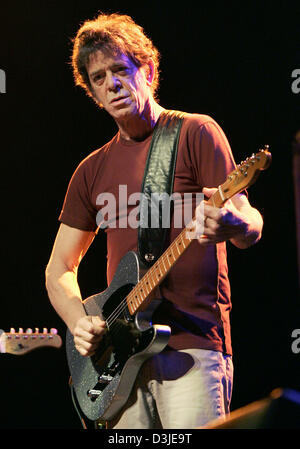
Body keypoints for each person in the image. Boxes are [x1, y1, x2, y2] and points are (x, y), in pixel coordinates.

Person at [45, 12, 263, 429]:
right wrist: (79, 322)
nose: (111, 83)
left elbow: (249, 222)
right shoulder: (90, 171)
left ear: (147, 70)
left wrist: (235, 226)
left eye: (120, 70)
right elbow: (58, 269)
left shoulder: (196, 133)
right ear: (91, 91)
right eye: (98, 78)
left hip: (192, 349)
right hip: (118, 363)